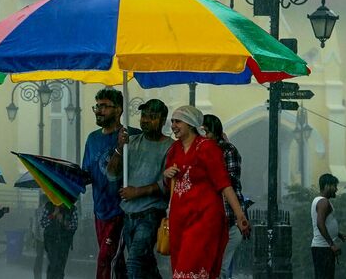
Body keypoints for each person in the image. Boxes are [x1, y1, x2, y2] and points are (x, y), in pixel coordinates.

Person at [163, 105, 250, 279]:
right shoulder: (174, 149)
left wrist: (240, 215)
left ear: (190, 124)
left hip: (203, 218)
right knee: (181, 269)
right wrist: (166, 174)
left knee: (189, 270)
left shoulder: (207, 147)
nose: (173, 126)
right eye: (172, 121)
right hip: (179, 218)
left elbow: (224, 184)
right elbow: (169, 185)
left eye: (178, 121)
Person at [105, 98, 171, 279]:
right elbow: (111, 174)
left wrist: (138, 191)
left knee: (134, 262)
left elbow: (166, 184)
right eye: (143, 116)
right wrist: (120, 148)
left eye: (152, 117)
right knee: (147, 265)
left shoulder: (170, 147)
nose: (146, 120)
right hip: (128, 213)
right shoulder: (131, 142)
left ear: (162, 120)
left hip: (151, 214)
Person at [81, 88, 125, 279]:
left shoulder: (129, 135)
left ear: (118, 109)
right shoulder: (92, 139)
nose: (99, 110)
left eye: (104, 106)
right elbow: (87, 173)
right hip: (100, 209)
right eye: (97, 106)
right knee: (117, 262)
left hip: (121, 210)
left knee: (106, 258)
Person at [203, 114, 246, 279]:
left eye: (207, 132)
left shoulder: (227, 150)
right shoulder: (197, 150)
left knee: (219, 268)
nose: (204, 137)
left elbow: (229, 183)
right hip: (207, 219)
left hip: (227, 219)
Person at [310, 173, 346, 279]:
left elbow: (326, 223)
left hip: (323, 248)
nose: (336, 189)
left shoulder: (321, 201)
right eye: (334, 186)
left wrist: (338, 234)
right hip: (323, 248)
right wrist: (332, 245)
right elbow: (320, 224)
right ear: (327, 186)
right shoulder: (323, 202)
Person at [41, 201, 78, 279]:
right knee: (53, 264)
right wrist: (53, 215)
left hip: (65, 241)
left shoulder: (71, 208)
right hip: (51, 240)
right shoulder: (49, 206)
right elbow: (43, 223)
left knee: (61, 265)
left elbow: (74, 225)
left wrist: (64, 222)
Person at [31, 194, 47, 279]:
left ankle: (37, 276)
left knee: (39, 258)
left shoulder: (37, 211)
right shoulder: (49, 210)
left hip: (39, 238)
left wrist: (34, 237)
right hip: (47, 237)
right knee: (49, 258)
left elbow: (34, 226)